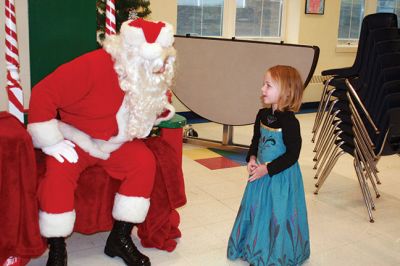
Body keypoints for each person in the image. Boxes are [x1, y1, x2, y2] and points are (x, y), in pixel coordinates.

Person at [27, 18, 176, 266]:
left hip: (118, 142)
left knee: (144, 163)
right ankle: (56, 247)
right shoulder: (92, 65)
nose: (158, 68)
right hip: (77, 137)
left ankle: (119, 238)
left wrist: (156, 110)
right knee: (57, 176)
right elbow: (43, 92)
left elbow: (153, 104)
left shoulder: (152, 74)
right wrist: (51, 141)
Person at [227, 65, 310, 265]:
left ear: (286, 92)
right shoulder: (262, 115)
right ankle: (253, 246)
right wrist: (253, 158)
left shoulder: (291, 123)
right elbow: (256, 140)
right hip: (260, 173)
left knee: (277, 214)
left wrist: (268, 168)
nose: (262, 89)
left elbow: (293, 155)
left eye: (268, 85)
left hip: (280, 177)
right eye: (263, 84)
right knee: (256, 210)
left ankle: (275, 252)